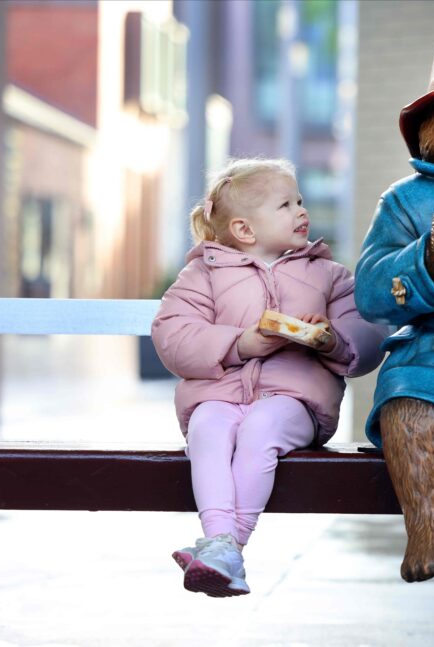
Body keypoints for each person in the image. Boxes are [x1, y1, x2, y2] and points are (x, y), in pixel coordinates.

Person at [152, 158, 386, 597]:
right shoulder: (203, 274)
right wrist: (241, 344)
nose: (302, 212)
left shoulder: (327, 275)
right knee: (207, 430)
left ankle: (227, 545)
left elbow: (369, 333)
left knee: (260, 428)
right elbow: (173, 335)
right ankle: (221, 542)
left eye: (300, 201)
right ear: (244, 230)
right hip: (219, 394)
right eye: (285, 205)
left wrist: (330, 340)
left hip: (295, 401)